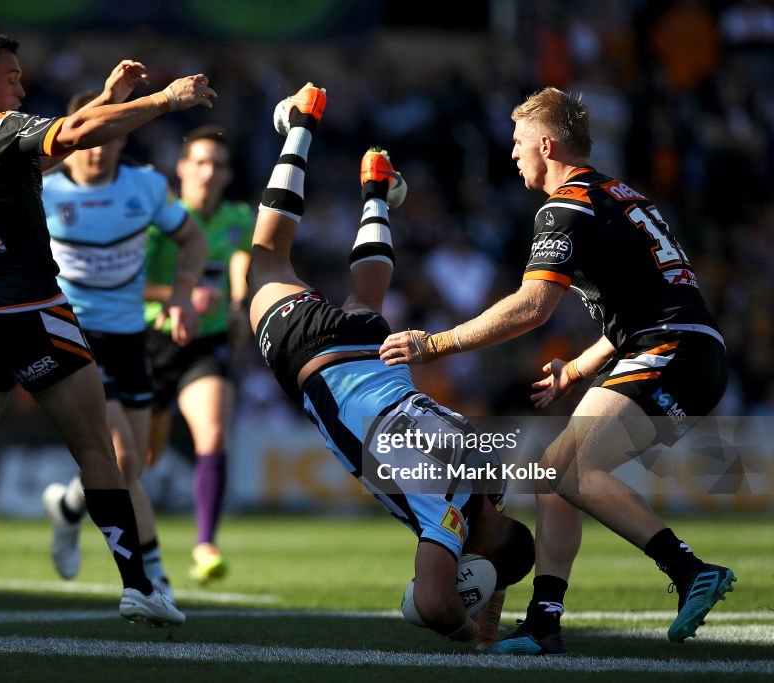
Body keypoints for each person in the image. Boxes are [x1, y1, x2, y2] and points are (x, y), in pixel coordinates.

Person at [0, 25, 217, 630]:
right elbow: (73, 134)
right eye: (12, 78)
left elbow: (57, 146)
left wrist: (105, 96)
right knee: (97, 453)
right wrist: (164, 102)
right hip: (33, 310)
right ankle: (139, 587)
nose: (22, 89)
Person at [380, 87, 735, 653]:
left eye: (519, 142)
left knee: (572, 471)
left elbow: (532, 306)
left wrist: (435, 343)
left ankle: (691, 569)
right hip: (678, 347)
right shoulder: (621, 196)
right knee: (553, 472)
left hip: (671, 352)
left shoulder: (567, 203)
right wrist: (577, 369)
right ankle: (544, 622)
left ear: (547, 144)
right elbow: (647, 304)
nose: (513, 154)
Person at [246, 83, 534, 642]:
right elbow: (432, 603)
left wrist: (493, 595)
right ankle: (301, 127)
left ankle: (376, 193)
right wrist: (471, 633)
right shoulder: (447, 519)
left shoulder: (492, 477)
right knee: (265, 263)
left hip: (377, 354)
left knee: (365, 302)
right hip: (315, 360)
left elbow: (501, 537)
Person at [39, 90, 208, 602]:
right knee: (123, 458)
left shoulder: (147, 186)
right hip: (73, 336)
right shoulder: (42, 191)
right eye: (86, 135)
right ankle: (154, 581)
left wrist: (182, 294)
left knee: (130, 468)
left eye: (107, 135)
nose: (96, 147)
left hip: (131, 337)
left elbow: (193, 240)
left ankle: (68, 509)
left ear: (122, 135)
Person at [142, 125, 253, 583]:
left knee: (212, 433)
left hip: (205, 343)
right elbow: (129, 285)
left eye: (218, 165)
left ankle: (206, 544)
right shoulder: (159, 218)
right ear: (183, 168)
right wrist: (180, 295)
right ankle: (73, 501)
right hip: (152, 340)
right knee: (138, 459)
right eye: (201, 162)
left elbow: (243, 261)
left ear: (228, 174)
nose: (209, 172)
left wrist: (238, 306)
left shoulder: (239, 218)